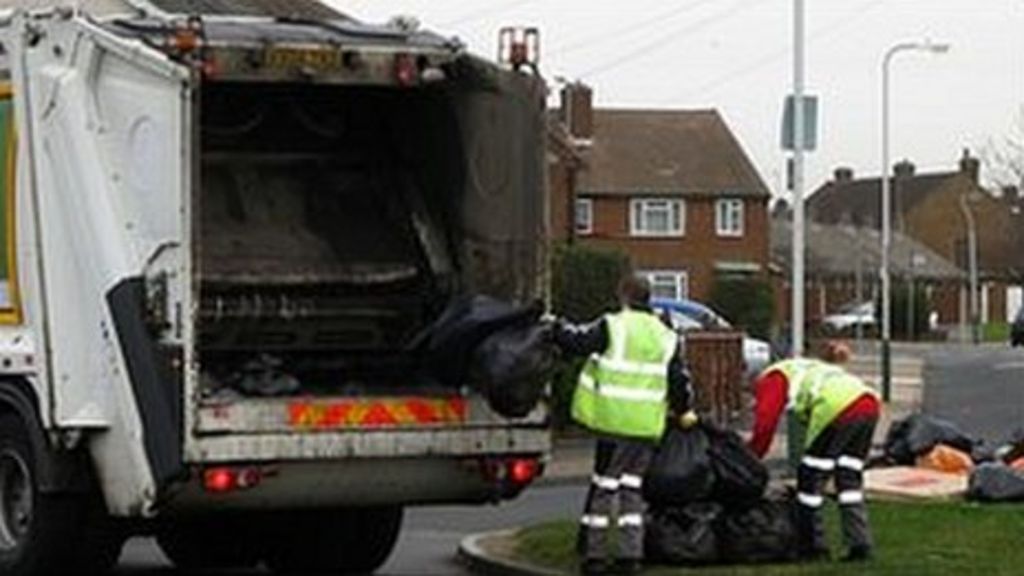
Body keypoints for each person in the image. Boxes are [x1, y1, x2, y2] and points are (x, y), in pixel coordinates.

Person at [553, 276, 694, 576]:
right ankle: (631, 556)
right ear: (649, 297)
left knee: (605, 488)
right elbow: (679, 381)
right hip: (646, 428)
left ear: (623, 295)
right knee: (633, 489)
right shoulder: (666, 335)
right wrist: (683, 411)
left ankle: (595, 556)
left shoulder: (613, 325)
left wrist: (554, 327)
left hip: (614, 423)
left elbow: (578, 342)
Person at [747, 341, 880, 563]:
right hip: (868, 405)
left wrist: (749, 460)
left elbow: (765, 426)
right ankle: (860, 545)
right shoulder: (804, 367)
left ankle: (813, 547)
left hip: (836, 408)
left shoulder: (772, 379)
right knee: (849, 480)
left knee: (810, 479)